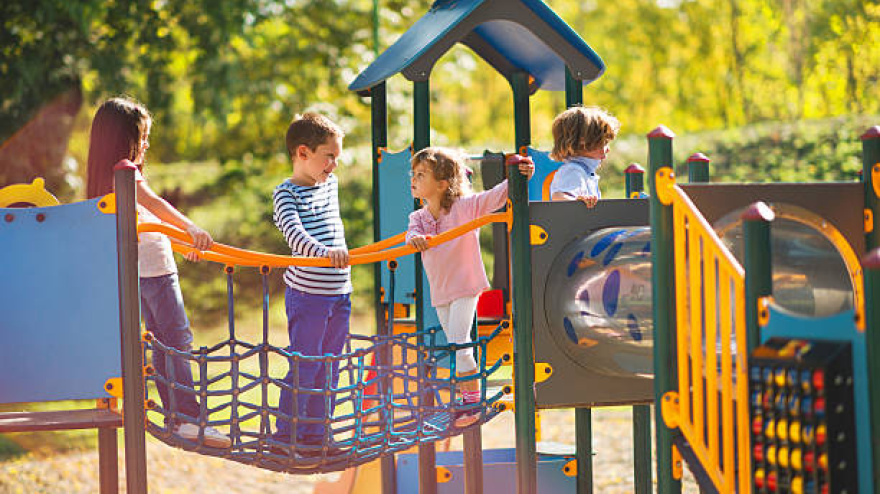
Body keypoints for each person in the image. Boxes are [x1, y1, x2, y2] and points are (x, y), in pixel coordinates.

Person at [86, 97, 230, 449]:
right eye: (143, 136)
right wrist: (192, 228)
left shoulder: (105, 177)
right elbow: (156, 206)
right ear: (123, 139)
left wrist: (183, 244)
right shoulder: (127, 171)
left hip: (138, 273)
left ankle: (179, 417)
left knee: (162, 343)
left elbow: (146, 225)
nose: (147, 143)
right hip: (156, 274)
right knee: (176, 342)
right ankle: (188, 419)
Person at [406, 147, 534, 427]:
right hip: (441, 291)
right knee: (455, 347)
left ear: (442, 184)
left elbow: (495, 197)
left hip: (466, 285)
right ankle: (466, 400)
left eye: (420, 174)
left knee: (461, 345)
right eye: (413, 174)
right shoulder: (419, 218)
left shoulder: (464, 208)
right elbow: (411, 235)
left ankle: (472, 403)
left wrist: (518, 174)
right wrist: (414, 239)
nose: (413, 179)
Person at [271, 112, 351, 457]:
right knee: (306, 364)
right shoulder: (285, 194)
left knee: (330, 366)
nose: (334, 164)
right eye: (328, 156)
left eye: (337, 156)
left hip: (340, 293)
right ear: (302, 153)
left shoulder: (328, 184)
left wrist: (336, 258)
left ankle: (317, 436)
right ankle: (285, 436)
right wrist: (325, 253)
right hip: (308, 295)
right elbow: (295, 235)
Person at [548, 105, 620, 206]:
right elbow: (558, 197)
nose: (608, 149)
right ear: (584, 142)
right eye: (605, 142)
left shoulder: (585, 171)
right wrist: (576, 202)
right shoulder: (573, 170)